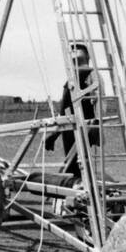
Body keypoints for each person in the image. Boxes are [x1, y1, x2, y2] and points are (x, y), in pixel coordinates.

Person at [47, 43, 99, 182]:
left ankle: (79, 189)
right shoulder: (95, 79)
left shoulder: (74, 82)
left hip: (75, 130)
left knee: (74, 168)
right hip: (88, 127)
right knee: (83, 165)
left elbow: (64, 110)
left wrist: (53, 134)